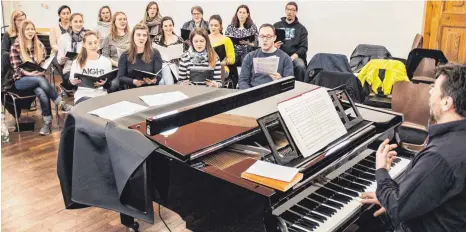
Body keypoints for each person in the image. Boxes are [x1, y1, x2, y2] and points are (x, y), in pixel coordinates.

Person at [360, 64, 466, 232]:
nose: (430, 92)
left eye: (434, 88)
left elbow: (398, 208)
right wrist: (388, 197)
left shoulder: (439, 156)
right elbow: (431, 191)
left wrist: (381, 171)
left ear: (447, 103)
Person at [9, 20, 72, 135]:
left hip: (38, 79)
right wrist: (31, 74)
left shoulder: (39, 46)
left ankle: (47, 124)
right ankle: (60, 103)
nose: (30, 31)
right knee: (39, 80)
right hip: (21, 80)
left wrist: (41, 70)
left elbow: (42, 63)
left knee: (42, 92)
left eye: (32, 29)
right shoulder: (16, 47)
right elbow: (16, 68)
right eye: (27, 29)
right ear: (22, 31)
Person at [238, 24, 293, 89]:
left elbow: (289, 85)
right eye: (262, 36)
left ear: (274, 38)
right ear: (258, 38)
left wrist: (281, 80)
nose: (265, 39)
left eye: (268, 36)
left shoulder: (285, 58)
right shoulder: (249, 57)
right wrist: (250, 95)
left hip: (275, 94)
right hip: (253, 93)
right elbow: (243, 81)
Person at [69, 31, 112, 104]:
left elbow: (109, 83)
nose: (93, 45)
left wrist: (105, 83)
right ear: (84, 45)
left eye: (95, 42)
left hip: (101, 95)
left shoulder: (106, 61)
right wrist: (73, 82)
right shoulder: (77, 62)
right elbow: (71, 81)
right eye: (90, 43)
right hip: (83, 95)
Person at [117, 23, 162, 89]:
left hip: (151, 89)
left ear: (147, 37)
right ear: (133, 36)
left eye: (144, 35)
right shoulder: (125, 55)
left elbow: (159, 75)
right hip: (133, 90)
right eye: (138, 35)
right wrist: (133, 81)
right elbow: (120, 77)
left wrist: (154, 80)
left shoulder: (155, 53)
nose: (141, 38)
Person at [273, 1, 308, 82]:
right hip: (279, 56)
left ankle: (300, 88)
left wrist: (291, 58)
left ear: (296, 12)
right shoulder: (276, 26)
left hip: (295, 57)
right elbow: (269, 41)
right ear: (285, 10)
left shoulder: (301, 29)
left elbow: (303, 47)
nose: (290, 12)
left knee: (300, 66)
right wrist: (274, 46)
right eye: (288, 9)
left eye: (293, 10)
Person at [57, 13, 87, 91]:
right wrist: (63, 59)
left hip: (85, 68)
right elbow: (59, 61)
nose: (78, 24)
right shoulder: (63, 38)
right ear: (70, 23)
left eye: (81, 21)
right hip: (69, 69)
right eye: (76, 21)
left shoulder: (87, 37)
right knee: (79, 81)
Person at [152, 16, 186, 85]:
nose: (168, 28)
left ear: (173, 26)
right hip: (161, 67)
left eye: (170, 25)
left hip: (176, 67)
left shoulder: (179, 40)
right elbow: (153, 57)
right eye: (165, 26)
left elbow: (183, 58)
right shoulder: (156, 40)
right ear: (162, 27)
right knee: (162, 80)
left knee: (164, 81)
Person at [2, 10, 26, 86]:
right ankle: (5, 82)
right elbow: (3, 51)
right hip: (14, 61)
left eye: (24, 19)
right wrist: (14, 54)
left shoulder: (27, 32)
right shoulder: (8, 34)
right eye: (19, 20)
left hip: (26, 60)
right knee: (4, 56)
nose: (22, 22)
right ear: (14, 21)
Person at [208, 15, 235, 80]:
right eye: (211, 25)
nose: (213, 27)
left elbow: (232, 59)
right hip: (207, 67)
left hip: (222, 68)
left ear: (220, 27)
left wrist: (218, 64)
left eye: (216, 25)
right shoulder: (205, 39)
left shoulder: (226, 40)